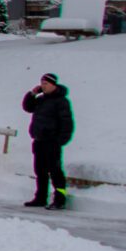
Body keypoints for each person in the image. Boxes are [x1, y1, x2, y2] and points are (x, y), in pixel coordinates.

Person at [23, 72, 74, 209]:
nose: (43, 86)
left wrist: (60, 140)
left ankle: (60, 198)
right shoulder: (41, 99)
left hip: (52, 142)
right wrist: (32, 94)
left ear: (53, 85)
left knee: (55, 171)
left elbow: (67, 123)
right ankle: (40, 197)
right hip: (39, 141)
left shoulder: (61, 101)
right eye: (41, 83)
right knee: (40, 171)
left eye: (45, 84)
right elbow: (28, 107)